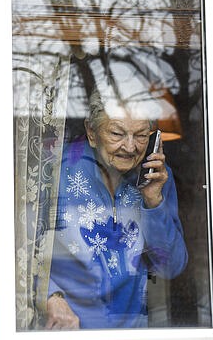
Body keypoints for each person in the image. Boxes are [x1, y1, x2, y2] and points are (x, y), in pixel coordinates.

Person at [45, 87, 188, 330]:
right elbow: (21, 252)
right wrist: (50, 297)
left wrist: (153, 202)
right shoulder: (55, 171)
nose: (130, 147)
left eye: (142, 135)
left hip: (132, 329)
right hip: (68, 328)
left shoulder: (156, 177)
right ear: (92, 131)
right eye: (117, 133)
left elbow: (171, 267)